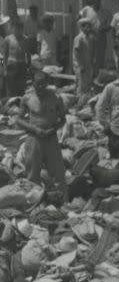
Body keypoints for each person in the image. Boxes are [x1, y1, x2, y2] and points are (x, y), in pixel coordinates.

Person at [18, 62, 67, 202]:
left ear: (47, 83)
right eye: (37, 84)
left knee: (58, 174)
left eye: (43, 84)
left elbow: (63, 119)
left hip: (51, 139)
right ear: (32, 83)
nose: (40, 87)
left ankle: (63, 203)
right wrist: (35, 129)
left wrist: (52, 129)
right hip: (34, 140)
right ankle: (32, 204)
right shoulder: (27, 98)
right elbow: (19, 120)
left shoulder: (56, 97)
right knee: (32, 175)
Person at [1, 18, 30, 97]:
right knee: (10, 90)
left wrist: (28, 67)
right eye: (16, 28)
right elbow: (4, 55)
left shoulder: (26, 39)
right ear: (13, 28)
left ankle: (20, 106)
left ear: (22, 29)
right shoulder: (8, 39)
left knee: (21, 89)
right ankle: (10, 107)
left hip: (22, 66)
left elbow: (28, 54)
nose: (18, 30)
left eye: (20, 28)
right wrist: (4, 69)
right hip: (11, 66)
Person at [73, 17, 96, 102]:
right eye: (86, 26)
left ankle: (86, 101)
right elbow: (76, 52)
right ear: (82, 27)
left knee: (88, 84)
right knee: (81, 84)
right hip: (81, 65)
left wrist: (92, 62)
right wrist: (80, 65)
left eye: (90, 26)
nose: (89, 28)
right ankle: (79, 102)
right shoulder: (79, 38)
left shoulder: (90, 38)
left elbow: (92, 51)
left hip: (88, 64)